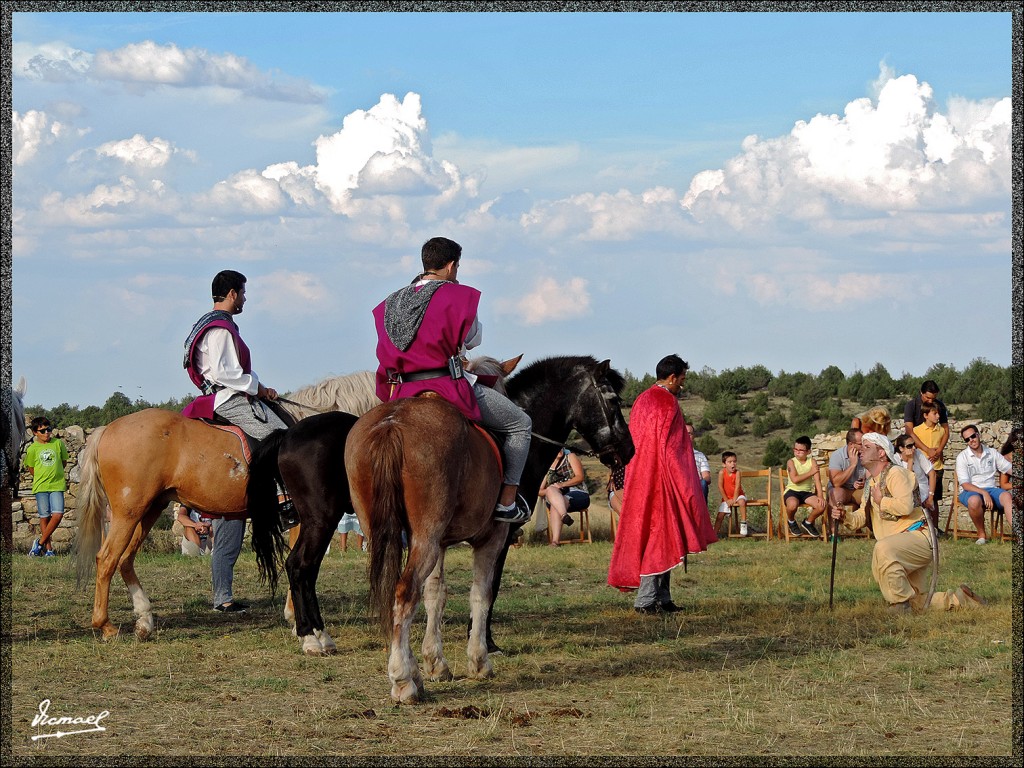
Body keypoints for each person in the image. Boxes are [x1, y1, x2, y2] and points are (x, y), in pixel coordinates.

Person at [373, 236, 532, 524]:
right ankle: (507, 502)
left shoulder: (391, 302)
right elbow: (472, 340)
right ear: (450, 266)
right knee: (520, 424)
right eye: (457, 268)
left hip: (403, 390)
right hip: (446, 385)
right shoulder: (457, 296)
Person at [183, 269, 290, 613]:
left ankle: (223, 596)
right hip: (229, 397)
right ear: (231, 293)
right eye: (243, 292)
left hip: (226, 395)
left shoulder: (212, 322)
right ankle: (283, 498)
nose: (245, 298)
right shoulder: (221, 327)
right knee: (280, 437)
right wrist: (259, 388)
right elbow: (227, 372)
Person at [607, 354, 716, 614]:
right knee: (659, 537)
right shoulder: (667, 403)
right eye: (681, 379)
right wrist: (685, 486)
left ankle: (663, 598)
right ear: (671, 377)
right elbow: (674, 450)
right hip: (663, 481)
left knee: (659, 536)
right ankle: (646, 601)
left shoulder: (642, 400)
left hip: (642, 478)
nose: (682, 384)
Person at [828, 432, 984, 613]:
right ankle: (961, 599)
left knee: (882, 550)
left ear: (881, 453)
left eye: (867, 447)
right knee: (917, 602)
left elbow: (905, 506)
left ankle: (899, 604)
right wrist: (844, 516)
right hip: (900, 545)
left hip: (918, 537)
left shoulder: (896, 473)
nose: (861, 450)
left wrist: (881, 501)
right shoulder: (871, 483)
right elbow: (861, 517)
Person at [954, 424, 1013, 545]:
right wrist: (983, 492)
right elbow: (965, 484)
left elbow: (1009, 469)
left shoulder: (991, 452)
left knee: (1007, 497)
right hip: (970, 491)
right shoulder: (962, 457)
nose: (971, 440)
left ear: (978, 435)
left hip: (991, 489)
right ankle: (981, 535)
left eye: (973, 436)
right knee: (975, 500)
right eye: (967, 439)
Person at [24, 417, 69, 557]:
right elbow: (31, 469)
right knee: (44, 517)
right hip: (41, 486)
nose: (47, 433)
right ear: (35, 432)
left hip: (57, 485)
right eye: (42, 430)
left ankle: (39, 543)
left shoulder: (58, 444)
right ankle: (49, 550)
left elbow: (64, 462)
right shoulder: (32, 449)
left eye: (48, 429)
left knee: (58, 514)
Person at [538, 448, 590, 547]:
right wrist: (551, 491)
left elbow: (579, 477)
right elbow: (540, 491)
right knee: (552, 493)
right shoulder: (546, 466)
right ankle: (564, 515)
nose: (559, 450)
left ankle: (555, 542)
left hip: (577, 493)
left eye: (561, 447)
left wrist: (562, 485)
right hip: (556, 497)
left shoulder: (570, 457)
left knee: (556, 504)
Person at [783, 436, 826, 538]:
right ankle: (791, 520)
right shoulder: (791, 462)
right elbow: (795, 479)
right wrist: (811, 472)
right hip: (792, 491)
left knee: (822, 505)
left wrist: (820, 496)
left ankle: (808, 522)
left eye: (801, 450)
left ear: (808, 452)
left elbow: (817, 481)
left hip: (806, 492)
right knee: (792, 504)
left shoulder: (812, 462)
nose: (797, 452)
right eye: (795, 449)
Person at [912, 403, 947, 523]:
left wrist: (937, 454)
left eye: (938, 413)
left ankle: (935, 527)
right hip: (921, 470)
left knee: (934, 499)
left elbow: (940, 448)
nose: (938, 416)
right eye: (935, 413)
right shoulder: (916, 430)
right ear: (926, 415)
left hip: (936, 468)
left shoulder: (941, 431)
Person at [894, 434, 937, 523]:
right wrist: (910, 460)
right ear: (901, 448)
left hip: (921, 486)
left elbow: (932, 474)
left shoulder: (918, 453)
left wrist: (931, 496)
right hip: (905, 489)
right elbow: (907, 481)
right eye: (909, 446)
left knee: (916, 496)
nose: (913, 448)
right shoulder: (896, 459)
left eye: (914, 445)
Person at [827, 428, 866, 510]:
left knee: (871, 495)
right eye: (860, 444)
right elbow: (836, 483)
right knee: (835, 494)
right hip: (842, 489)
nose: (863, 446)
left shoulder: (865, 454)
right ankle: (832, 523)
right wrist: (852, 465)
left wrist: (863, 483)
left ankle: (869, 522)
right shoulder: (837, 455)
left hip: (857, 491)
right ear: (851, 444)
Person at [715, 451, 748, 537]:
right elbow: (720, 487)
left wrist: (734, 499)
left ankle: (743, 523)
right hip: (727, 497)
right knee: (720, 516)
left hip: (738, 495)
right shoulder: (722, 473)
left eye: (734, 461)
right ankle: (714, 534)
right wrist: (727, 500)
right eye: (730, 462)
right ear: (724, 464)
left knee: (741, 502)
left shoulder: (737, 473)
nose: (733, 464)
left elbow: (737, 487)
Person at [687, 424, 712, 505]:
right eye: (684, 433)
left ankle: (702, 512)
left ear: (693, 436)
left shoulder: (700, 455)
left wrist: (698, 481)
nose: (686, 436)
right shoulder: (675, 455)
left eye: (689, 434)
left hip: (697, 485)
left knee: (703, 483)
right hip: (681, 485)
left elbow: (706, 476)